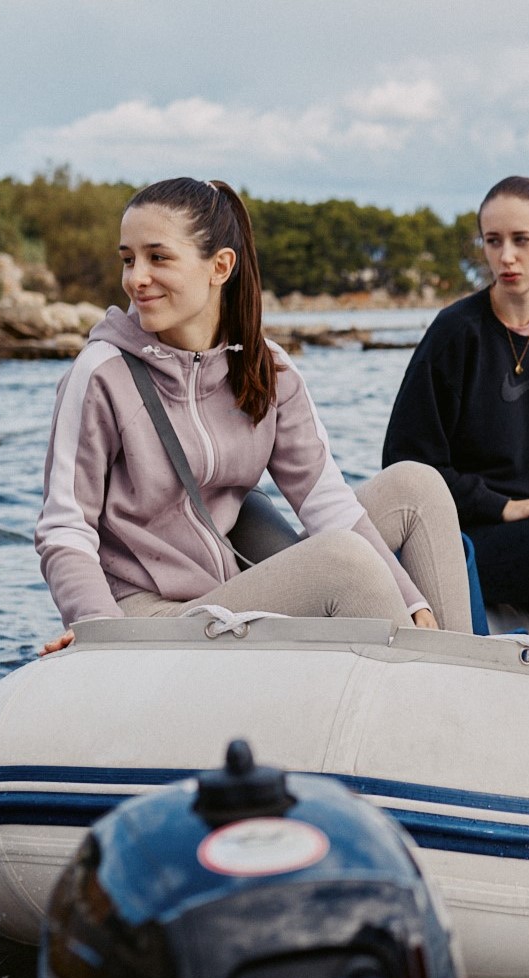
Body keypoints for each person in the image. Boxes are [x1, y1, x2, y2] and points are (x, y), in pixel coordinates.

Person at [35, 177, 471, 654]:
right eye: (127, 259)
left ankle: (462, 666)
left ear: (220, 266)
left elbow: (326, 502)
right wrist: (99, 629)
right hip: (151, 614)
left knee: (416, 486)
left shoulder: (267, 369)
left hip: (233, 584)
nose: (135, 278)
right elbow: (65, 527)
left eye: (158, 258)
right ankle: (422, 698)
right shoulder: (102, 373)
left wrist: (411, 602)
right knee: (343, 561)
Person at [381, 176, 529, 637]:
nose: (505, 256)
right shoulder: (456, 332)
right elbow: (406, 467)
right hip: (462, 537)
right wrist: (503, 505)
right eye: (493, 241)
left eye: (520, 240)